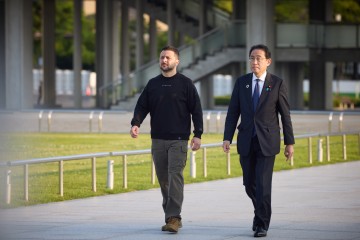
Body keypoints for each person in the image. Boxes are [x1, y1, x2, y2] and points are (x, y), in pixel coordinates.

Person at [222, 44, 295, 238]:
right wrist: (227, 137)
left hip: (267, 141)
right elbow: (232, 113)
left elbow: (285, 115)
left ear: (268, 62)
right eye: (252, 58)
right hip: (246, 140)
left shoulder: (277, 83)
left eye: (259, 58)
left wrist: (290, 143)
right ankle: (260, 212)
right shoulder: (242, 82)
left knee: (263, 184)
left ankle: (262, 223)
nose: (254, 62)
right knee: (249, 184)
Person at [130, 45, 203, 233]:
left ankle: (174, 217)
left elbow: (196, 110)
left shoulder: (186, 84)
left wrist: (197, 135)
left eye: (168, 58)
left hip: (178, 140)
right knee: (164, 180)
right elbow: (141, 105)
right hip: (158, 140)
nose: (164, 61)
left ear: (177, 61)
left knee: (175, 176)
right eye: (162, 57)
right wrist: (136, 123)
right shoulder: (153, 84)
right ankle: (170, 215)